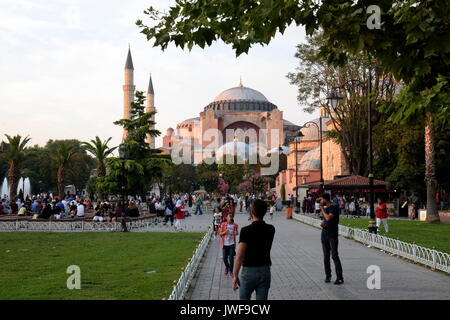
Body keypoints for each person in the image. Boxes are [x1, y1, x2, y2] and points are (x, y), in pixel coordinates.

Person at [232, 199, 275, 300]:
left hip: (249, 271)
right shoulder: (271, 229)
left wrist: (235, 275)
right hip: (265, 270)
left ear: (251, 212)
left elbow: (239, 256)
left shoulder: (246, 231)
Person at [319, 193, 344, 285]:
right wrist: (322, 223)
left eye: (322, 200)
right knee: (326, 256)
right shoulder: (326, 209)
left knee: (334, 255)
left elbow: (329, 217)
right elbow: (325, 219)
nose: (321, 202)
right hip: (324, 234)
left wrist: (321, 208)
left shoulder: (334, 207)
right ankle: (328, 275)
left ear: (325, 200)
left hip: (332, 235)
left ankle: (340, 277)